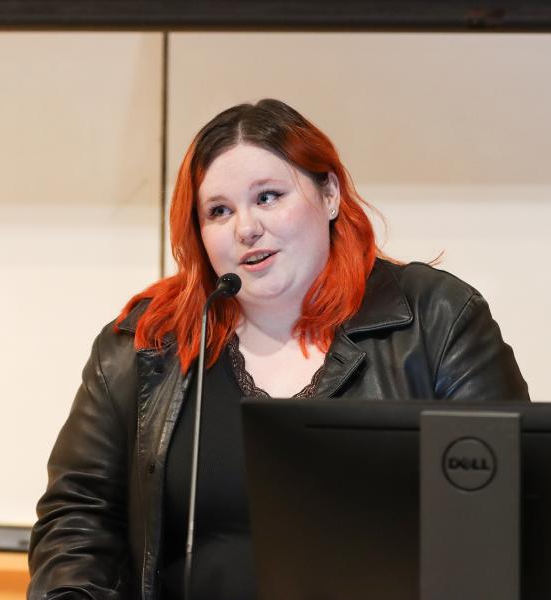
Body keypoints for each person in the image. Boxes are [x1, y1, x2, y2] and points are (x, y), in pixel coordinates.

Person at [27, 98, 529, 600]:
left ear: (329, 194)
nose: (246, 228)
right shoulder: (147, 341)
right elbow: (77, 515)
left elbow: (505, 511)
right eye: (219, 211)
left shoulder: (436, 319)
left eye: (268, 197)